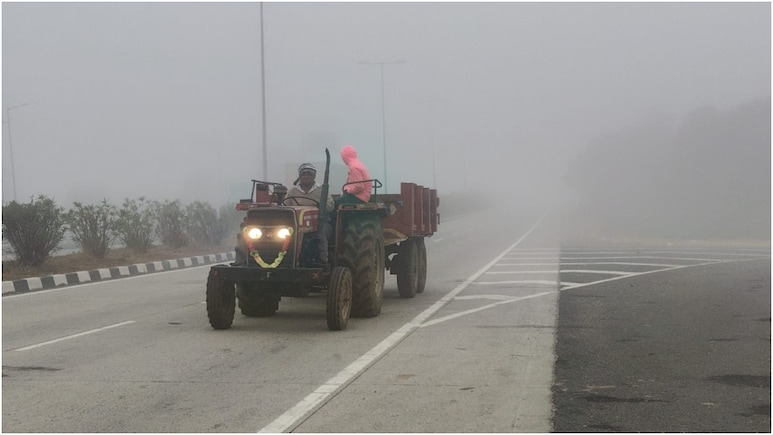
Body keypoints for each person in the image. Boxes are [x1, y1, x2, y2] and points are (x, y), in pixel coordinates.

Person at [285, 163, 333, 265]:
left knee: (321, 233)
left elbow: (330, 204)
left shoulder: (321, 190)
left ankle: (322, 260)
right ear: (300, 176)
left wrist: (321, 207)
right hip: (295, 224)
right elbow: (285, 205)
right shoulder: (292, 191)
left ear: (314, 176)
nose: (306, 176)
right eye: (303, 174)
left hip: (318, 223)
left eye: (309, 174)